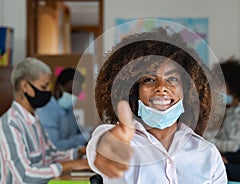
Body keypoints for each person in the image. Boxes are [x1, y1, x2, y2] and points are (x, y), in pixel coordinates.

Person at [86, 28, 227, 183]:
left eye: (172, 79)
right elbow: (101, 143)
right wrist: (106, 145)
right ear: (133, 90)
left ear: (188, 90)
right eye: (149, 79)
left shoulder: (208, 154)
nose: (161, 87)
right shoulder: (122, 141)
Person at [0, 58, 90, 184]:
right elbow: (24, 175)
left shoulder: (35, 120)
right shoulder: (10, 125)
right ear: (25, 86)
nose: (48, 92)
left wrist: (81, 152)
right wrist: (68, 166)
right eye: (44, 86)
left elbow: (50, 155)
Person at [36, 68, 92, 150]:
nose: (73, 97)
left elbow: (76, 130)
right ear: (59, 88)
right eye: (70, 92)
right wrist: (84, 137)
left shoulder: (67, 110)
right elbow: (55, 146)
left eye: (76, 94)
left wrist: (91, 131)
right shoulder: (46, 110)